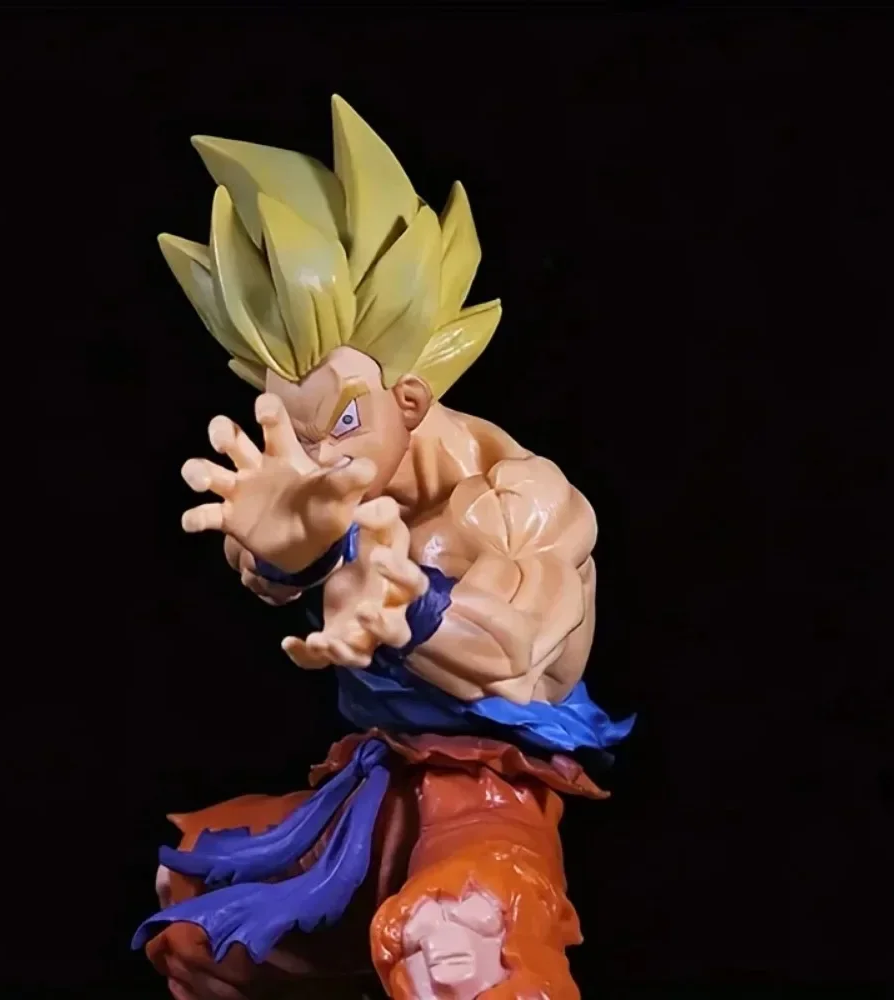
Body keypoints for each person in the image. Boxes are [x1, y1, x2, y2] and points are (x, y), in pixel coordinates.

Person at [133, 95, 634, 1000]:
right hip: (371, 788)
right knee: (194, 910)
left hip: (490, 797)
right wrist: (295, 554)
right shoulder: (327, 489)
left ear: (408, 399)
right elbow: (273, 565)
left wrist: (407, 603)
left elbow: (518, 654)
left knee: (457, 946)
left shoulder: (521, 495)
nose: (318, 455)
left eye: (340, 423)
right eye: (293, 428)